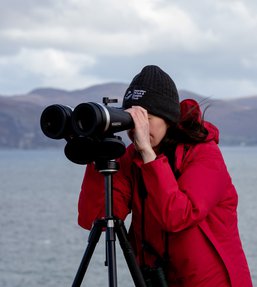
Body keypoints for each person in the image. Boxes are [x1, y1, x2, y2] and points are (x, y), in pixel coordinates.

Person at [77, 65, 253, 287]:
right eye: (132, 119)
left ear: (167, 118)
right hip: (158, 280)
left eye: (146, 118)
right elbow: (96, 218)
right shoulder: (132, 157)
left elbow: (177, 216)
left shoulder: (203, 153)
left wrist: (149, 157)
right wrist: (97, 154)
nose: (137, 129)